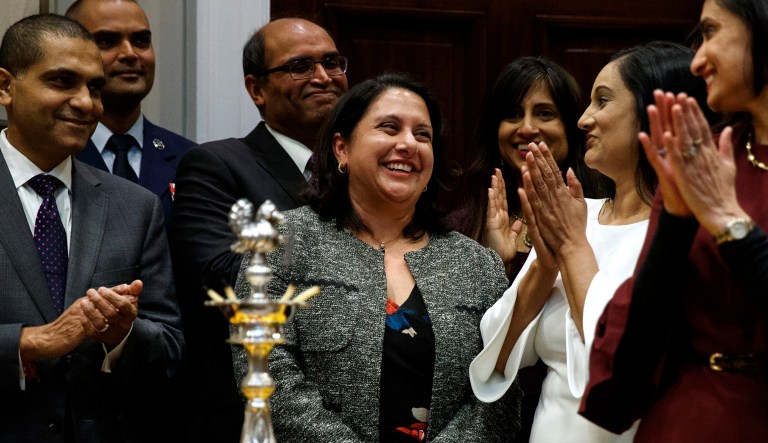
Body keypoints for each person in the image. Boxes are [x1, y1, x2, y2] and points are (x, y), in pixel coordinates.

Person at [231, 72, 521, 442]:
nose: (408, 144)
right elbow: (262, 368)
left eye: (423, 135)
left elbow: (499, 390)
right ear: (342, 149)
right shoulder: (280, 240)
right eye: (389, 127)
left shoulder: (478, 264)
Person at [468, 41, 713, 442]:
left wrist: (570, 248)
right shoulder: (577, 214)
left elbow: (620, 361)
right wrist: (544, 268)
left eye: (602, 101)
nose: (583, 120)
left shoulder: (685, 233)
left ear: (655, 113)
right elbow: (496, 356)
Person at [580, 1, 768, 440]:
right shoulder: (702, 156)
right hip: (692, 418)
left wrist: (728, 224)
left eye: (711, 32)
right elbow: (640, 340)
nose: (698, 61)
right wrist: (677, 223)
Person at [0, 13, 183, 442]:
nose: (86, 103)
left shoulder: (134, 206)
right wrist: (29, 343)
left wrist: (123, 337)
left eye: (94, 87)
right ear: (5, 86)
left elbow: (171, 350)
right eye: (62, 82)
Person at [169, 17, 349, 442]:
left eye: (331, 62)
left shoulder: (363, 174)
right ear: (257, 89)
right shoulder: (217, 165)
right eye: (300, 66)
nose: (323, 77)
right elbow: (221, 277)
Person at [65, 0, 196, 227]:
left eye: (141, 41)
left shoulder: (191, 160)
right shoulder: (56, 155)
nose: (130, 53)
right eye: (107, 41)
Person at [454, 56, 586, 280]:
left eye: (545, 113)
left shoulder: (602, 218)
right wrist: (497, 264)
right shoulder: (460, 229)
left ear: (570, 129)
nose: (526, 128)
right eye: (513, 114)